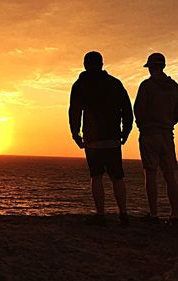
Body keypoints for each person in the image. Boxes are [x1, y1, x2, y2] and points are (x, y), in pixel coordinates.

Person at [69, 51, 133, 226]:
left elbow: (74, 111)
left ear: (84, 65)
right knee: (117, 176)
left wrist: (76, 134)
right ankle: (123, 213)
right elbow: (127, 110)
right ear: (102, 64)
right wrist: (125, 131)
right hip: (112, 137)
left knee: (96, 176)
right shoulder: (114, 83)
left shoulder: (80, 85)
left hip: (92, 139)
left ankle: (100, 214)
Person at [134, 53, 178, 225]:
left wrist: (143, 126)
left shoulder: (147, 86)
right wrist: (167, 124)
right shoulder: (174, 86)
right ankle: (174, 215)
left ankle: (154, 214)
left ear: (151, 67)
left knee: (151, 173)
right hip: (168, 134)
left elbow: (138, 110)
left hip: (149, 134)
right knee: (170, 175)